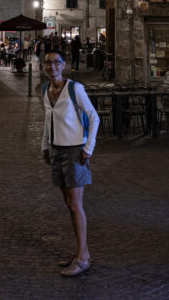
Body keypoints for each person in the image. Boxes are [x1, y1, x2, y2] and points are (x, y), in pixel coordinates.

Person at [41, 50, 99, 278]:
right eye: (48, 62)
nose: (52, 66)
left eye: (56, 62)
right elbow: (48, 121)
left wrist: (88, 148)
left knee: (75, 205)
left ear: (63, 65)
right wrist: (45, 146)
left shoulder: (75, 89)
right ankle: (81, 252)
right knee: (68, 203)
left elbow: (93, 117)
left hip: (75, 152)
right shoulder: (45, 90)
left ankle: (83, 259)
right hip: (56, 150)